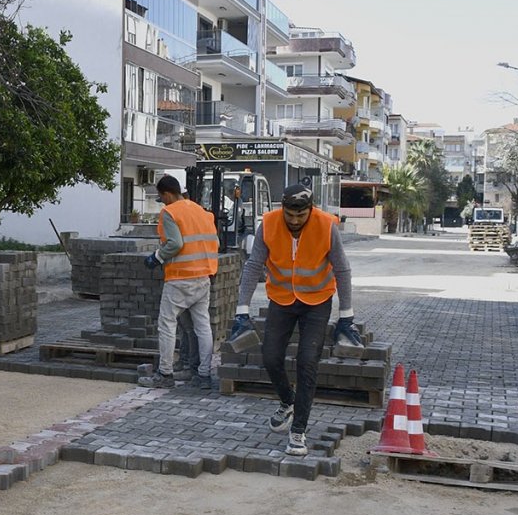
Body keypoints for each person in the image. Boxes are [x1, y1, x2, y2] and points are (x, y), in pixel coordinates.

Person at [228, 183, 361, 456]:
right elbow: (254, 265)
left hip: (317, 301)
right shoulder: (269, 224)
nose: (295, 221)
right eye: (290, 215)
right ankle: (288, 402)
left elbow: (342, 269)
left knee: (307, 361)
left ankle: (298, 431)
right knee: (271, 357)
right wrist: (242, 308)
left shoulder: (326, 225)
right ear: (282, 209)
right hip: (282, 299)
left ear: (310, 210)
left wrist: (346, 316)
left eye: (301, 216)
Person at [138, 174, 219, 389]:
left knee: (167, 324)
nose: (161, 201)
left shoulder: (170, 212)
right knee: (202, 326)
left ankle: (165, 374)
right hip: (203, 277)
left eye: (161, 196)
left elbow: (175, 243)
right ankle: (203, 374)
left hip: (180, 278)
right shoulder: (201, 212)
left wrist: (156, 257)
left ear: (167, 194)